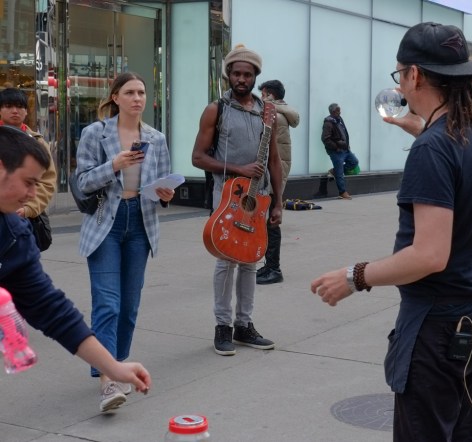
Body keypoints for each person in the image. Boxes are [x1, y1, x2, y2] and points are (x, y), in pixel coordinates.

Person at [311, 22, 472, 441]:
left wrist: (354, 276)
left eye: (399, 73)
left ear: (414, 75)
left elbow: (429, 255)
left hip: (439, 326)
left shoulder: (435, 148)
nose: (401, 81)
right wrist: (420, 129)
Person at [0, 126, 151, 407]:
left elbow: (52, 310)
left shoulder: (15, 236)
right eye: (28, 182)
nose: (34, 194)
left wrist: (114, 368)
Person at [74, 72, 174, 411]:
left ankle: (118, 365)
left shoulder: (155, 138)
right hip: (106, 222)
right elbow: (83, 181)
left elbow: (163, 185)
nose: (137, 98)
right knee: (107, 303)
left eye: (142, 92)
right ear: (115, 97)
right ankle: (108, 381)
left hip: (141, 222)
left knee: (129, 307)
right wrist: (113, 164)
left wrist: (165, 194)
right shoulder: (94, 133)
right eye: (130, 92)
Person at [191, 45, 282, 356]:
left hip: (259, 198)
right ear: (228, 74)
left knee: (250, 261)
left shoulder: (266, 113)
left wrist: (279, 202)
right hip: (228, 194)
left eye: (248, 74)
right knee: (227, 259)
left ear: (256, 76)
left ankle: (244, 325)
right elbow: (198, 158)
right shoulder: (216, 109)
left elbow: (274, 161)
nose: (241, 78)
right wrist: (237, 169)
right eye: (236, 73)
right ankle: (223, 326)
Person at [0, 87, 56, 251]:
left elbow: (47, 183)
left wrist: (28, 209)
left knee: (23, 266)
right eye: (8, 106)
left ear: (26, 111)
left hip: (24, 218)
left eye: (20, 106)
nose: (15, 111)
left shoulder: (37, 143)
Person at [256, 79, 300, 285]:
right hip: (278, 170)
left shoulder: (272, 114)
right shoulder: (283, 113)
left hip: (273, 172)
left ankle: (274, 268)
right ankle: (269, 265)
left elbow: (267, 149)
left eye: (263, 93)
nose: (261, 97)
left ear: (269, 94)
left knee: (271, 221)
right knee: (268, 218)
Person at [321, 103, 359, 199]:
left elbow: (344, 132)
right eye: (338, 110)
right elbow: (325, 139)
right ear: (333, 111)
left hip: (345, 149)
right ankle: (342, 192)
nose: (340, 111)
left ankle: (334, 171)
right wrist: (336, 147)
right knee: (340, 172)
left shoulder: (339, 119)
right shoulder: (328, 123)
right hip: (336, 151)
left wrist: (347, 145)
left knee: (354, 162)